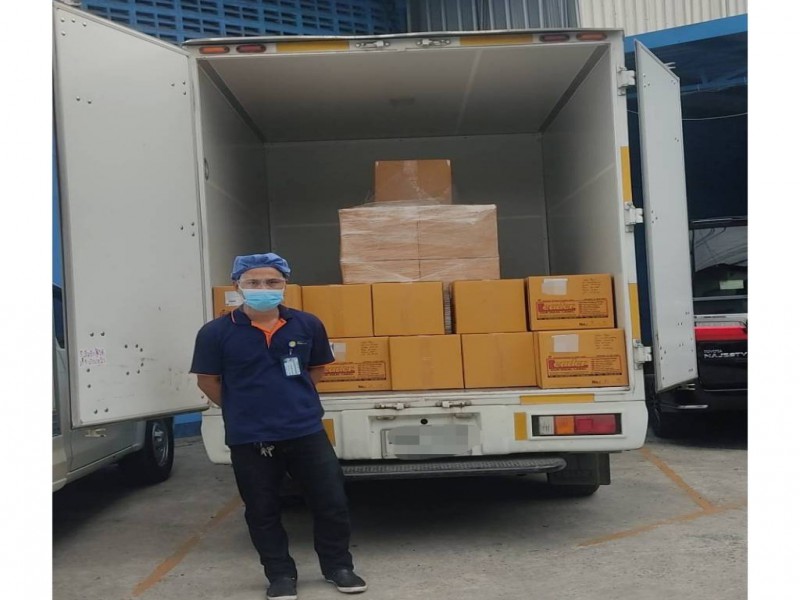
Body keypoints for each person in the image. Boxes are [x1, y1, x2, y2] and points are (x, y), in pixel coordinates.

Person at [190, 253, 367, 600]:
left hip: (305, 430)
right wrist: (244, 409)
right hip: (250, 437)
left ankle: (338, 567)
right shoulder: (215, 333)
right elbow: (207, 380)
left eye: (272, 282)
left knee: (331, 502)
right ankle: (280, 574)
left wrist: (291, 401)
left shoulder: (307, 324)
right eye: (254, 282)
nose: (263, 288)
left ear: (285, 284)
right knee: (262, 510)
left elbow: (316, 369)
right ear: (238, 285)